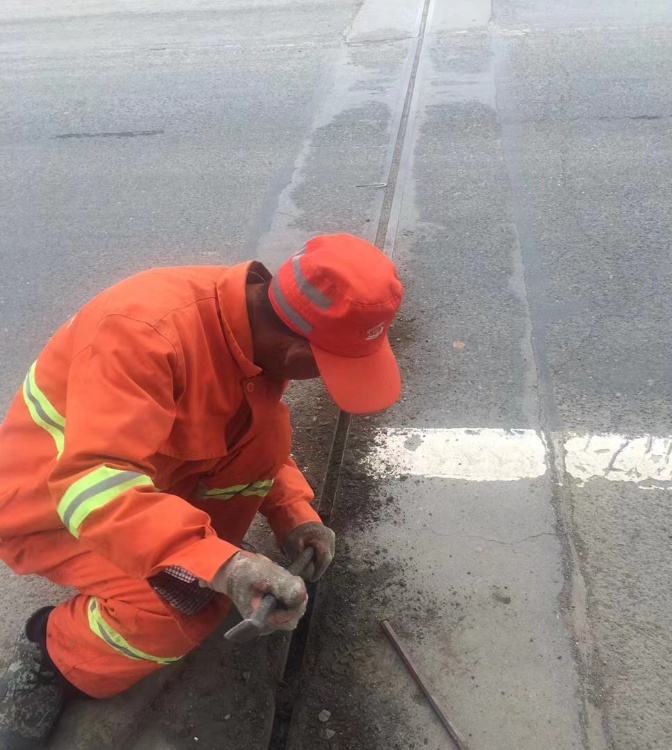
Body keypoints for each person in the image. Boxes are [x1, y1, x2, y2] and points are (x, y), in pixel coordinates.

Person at [0, 233, 404, 749]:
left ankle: (185, 563)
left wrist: (294, 513)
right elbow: (92, 485)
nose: (324, 382)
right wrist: (222, 567)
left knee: (271, 430)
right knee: (176, 612)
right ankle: (51, 652)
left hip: (140, 483)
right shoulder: (146, 335)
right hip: (55, 504)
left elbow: (250, 438)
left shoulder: (245, 331)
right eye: (328, 368)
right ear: (294, 348)